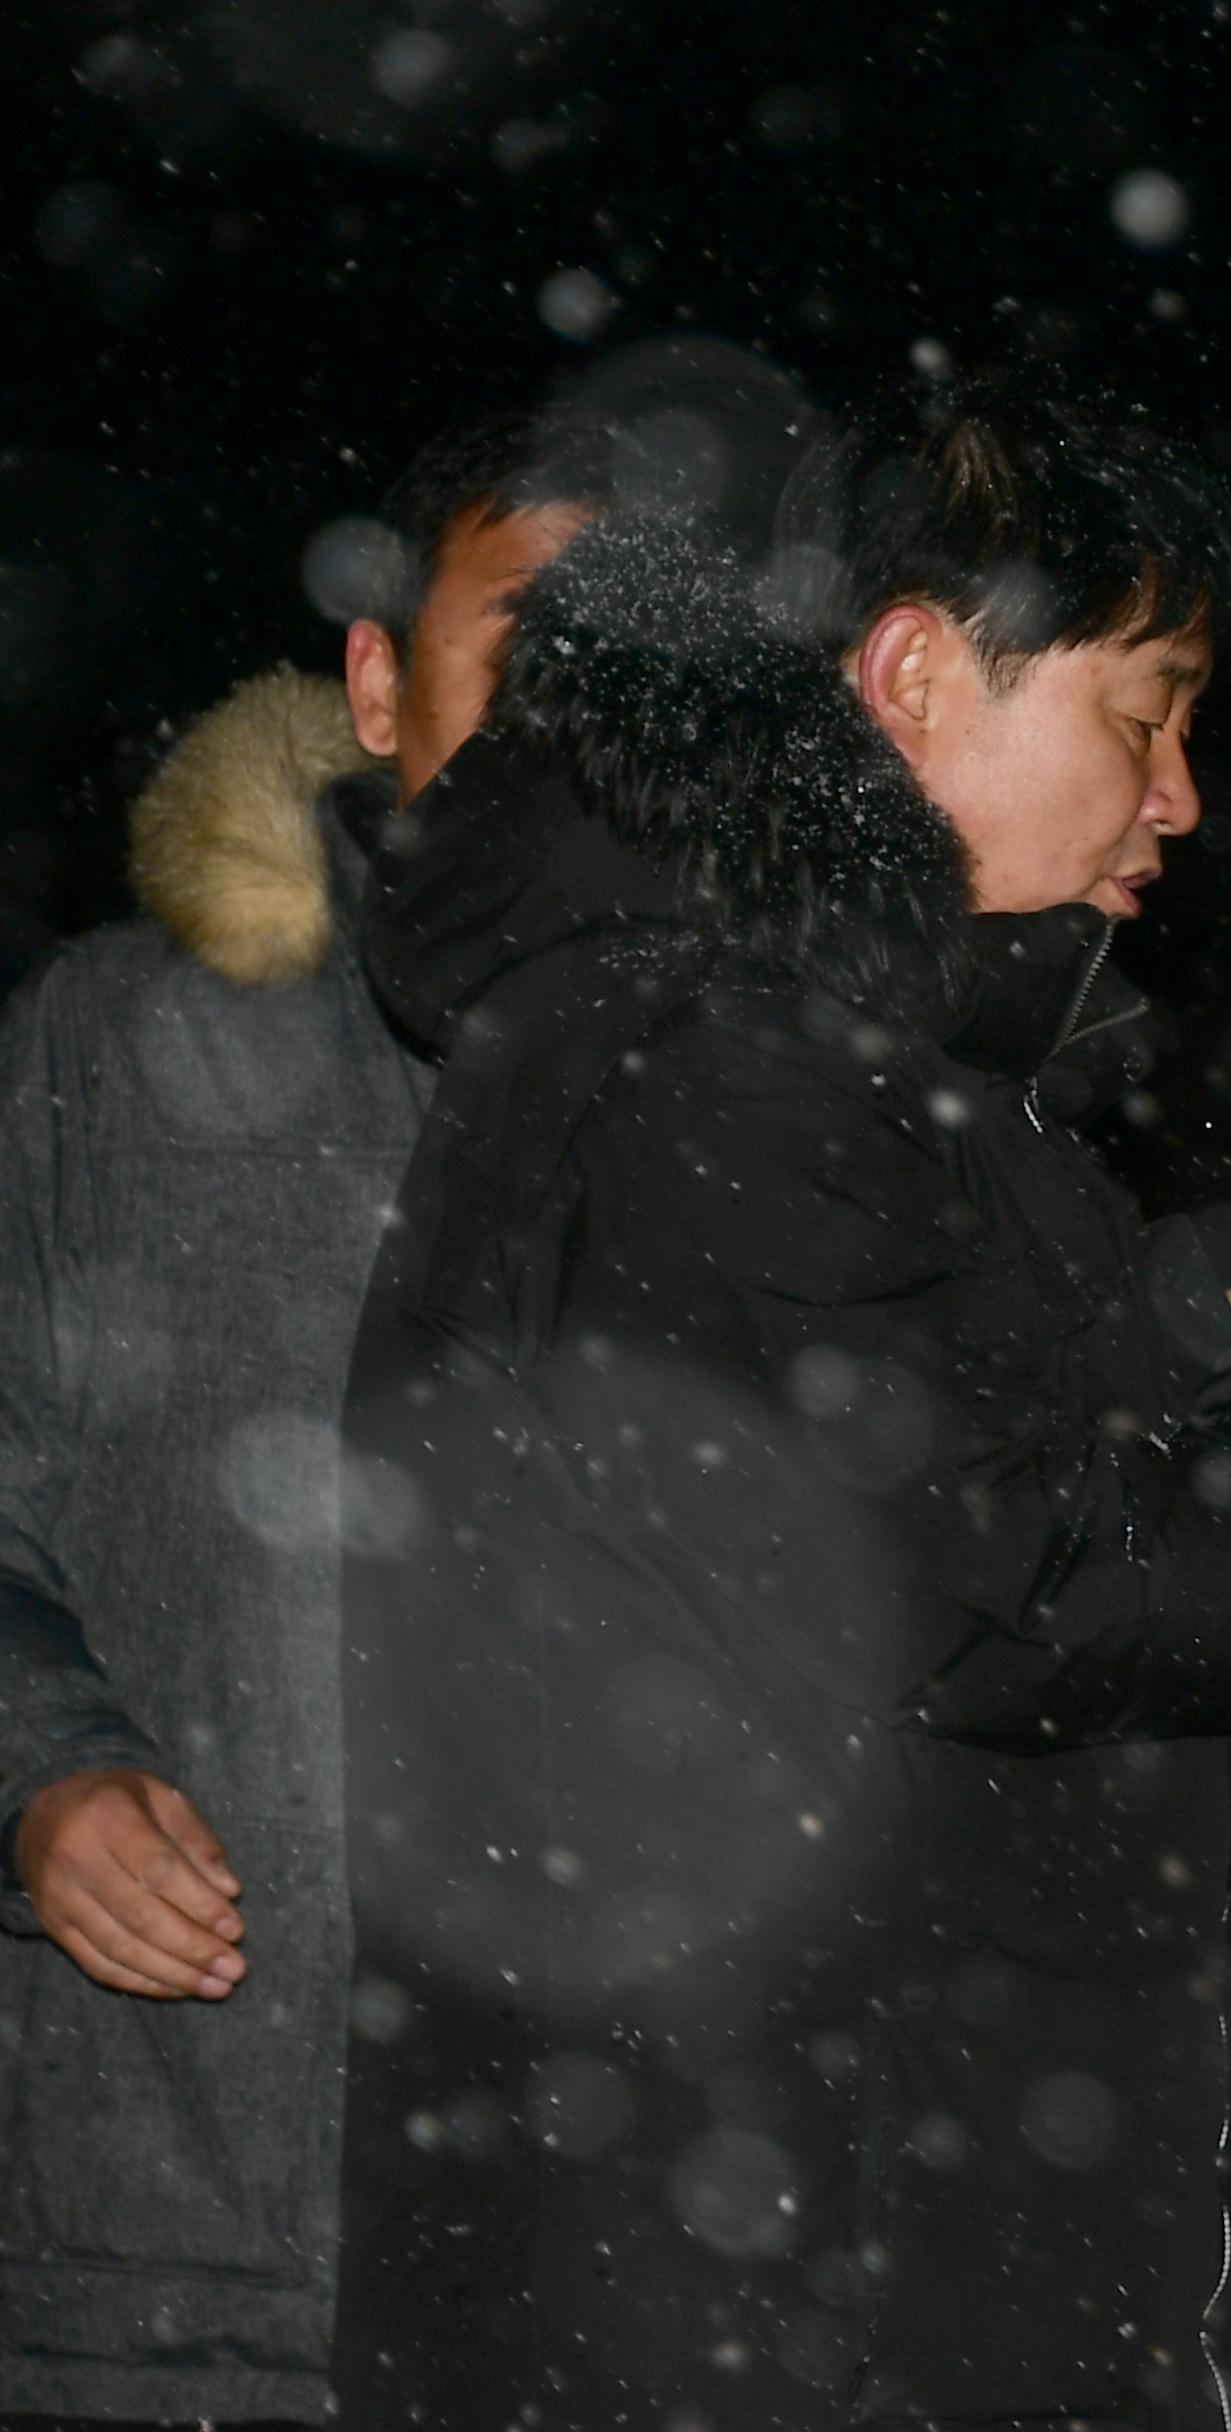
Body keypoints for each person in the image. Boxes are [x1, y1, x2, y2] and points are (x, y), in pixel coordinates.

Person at [327, 373, 1231, 2431]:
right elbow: (979, 1589)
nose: (1177, 797)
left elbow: (928, 1501)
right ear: (911, 673)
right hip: (793, 2277)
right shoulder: (719, 1048)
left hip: (808, 2249)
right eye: (1143, 711)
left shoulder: (761, 1034)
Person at [0, 406, 604, 2429]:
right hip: (174, 2250)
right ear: (375, 680)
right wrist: (47, 1778)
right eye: (528, 641)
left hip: (610, 2278)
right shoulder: (118, 1040)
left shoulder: (753, 1107)